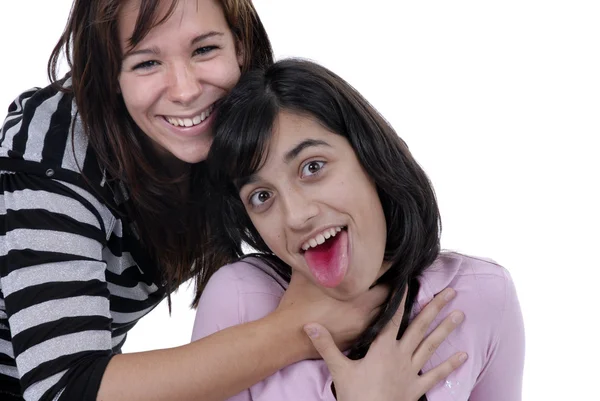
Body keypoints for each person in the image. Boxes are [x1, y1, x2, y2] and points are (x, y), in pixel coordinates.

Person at [0, 1, 464, 401]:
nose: (184, 90)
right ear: (109, 77)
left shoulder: (241, 126)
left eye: (204, 49)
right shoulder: (54, 156)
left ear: (240, 43)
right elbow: (63, 389)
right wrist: (296, 330)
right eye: (145, 62)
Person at [192, 59, 526, 401]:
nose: (295, 216)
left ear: (369, 156)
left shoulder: (482, 294)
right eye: (262, 196)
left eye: (312, 167)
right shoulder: (237, 301)